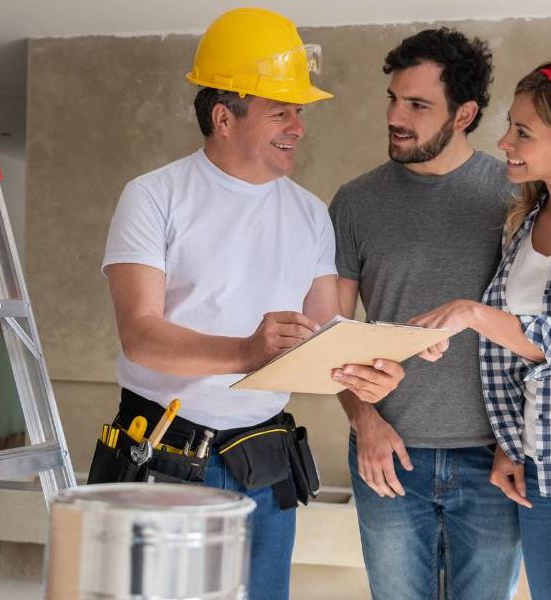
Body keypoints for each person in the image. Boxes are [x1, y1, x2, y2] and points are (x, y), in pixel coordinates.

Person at [329, 29, 551, 599]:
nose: (506, 142)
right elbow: (504, 358)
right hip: (536, 468)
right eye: (393, 98)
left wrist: (470, 316)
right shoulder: (526, 217)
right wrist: (512, 443)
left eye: (521, 131)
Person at [100, 8, 404, 600]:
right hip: (164, 456)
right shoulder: (154, 196)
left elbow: (323, 333)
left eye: (301, 111)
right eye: (281, 111)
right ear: (223, 116)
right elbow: (140, 334)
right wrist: (245, 351)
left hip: (263, 463)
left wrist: (366, 371)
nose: (298, 126)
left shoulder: (309, 213)